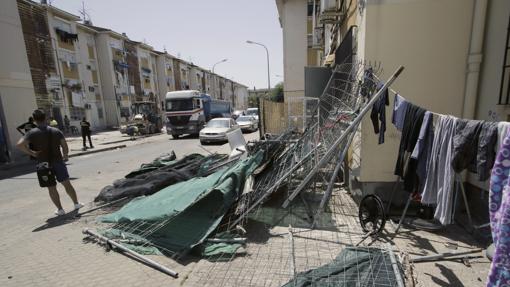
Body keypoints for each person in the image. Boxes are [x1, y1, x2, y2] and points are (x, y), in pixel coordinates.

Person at [16, 109, 83, 216]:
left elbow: (19, 145)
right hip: (58, 161)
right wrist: (65, 155)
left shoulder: (32, 133)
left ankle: (60, 209)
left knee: (51, 187)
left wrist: (32, 153)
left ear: (34, 120)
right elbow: (64, 146)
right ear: (46, 118)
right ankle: (76, 204)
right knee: (66, 183)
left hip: (43, 164)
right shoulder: (56, 131)